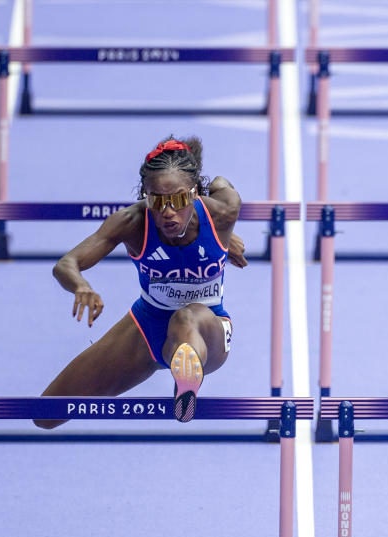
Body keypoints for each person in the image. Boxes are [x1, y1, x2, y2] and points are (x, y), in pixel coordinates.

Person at [35, 136, 246, 428]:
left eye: (179, 200)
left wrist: (222, 234)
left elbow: (222, 182)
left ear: (196, 193)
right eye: (157, 202)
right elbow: (66, 264)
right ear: (145, 197)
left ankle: (185, 381)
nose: (168, 212)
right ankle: (181, 367)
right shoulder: (132, 222)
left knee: (185, 319)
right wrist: (80, 285)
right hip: (147, 325)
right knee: (46, 414)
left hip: (207, 327)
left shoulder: (222, 212)